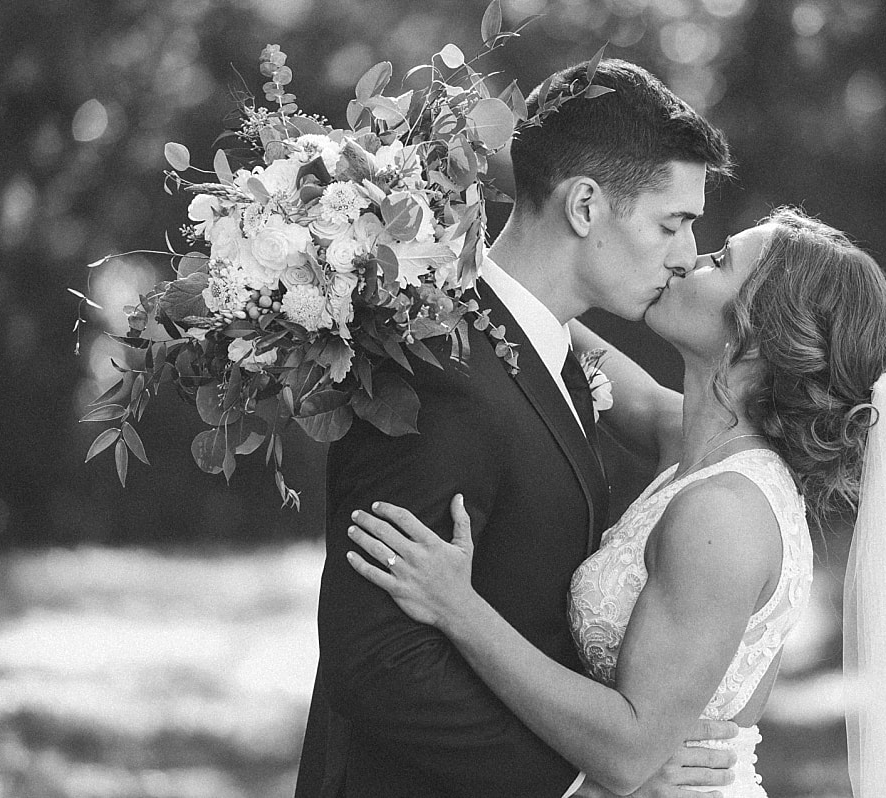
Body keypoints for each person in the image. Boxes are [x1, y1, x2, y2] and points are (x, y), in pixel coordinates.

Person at [347, 208, 886, 797]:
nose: (688, 260)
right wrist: (448, 244)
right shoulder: (694, 439)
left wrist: (459, 608)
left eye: (720, 262)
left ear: (755, 336)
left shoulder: (724, 514)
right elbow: (550, 338)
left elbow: (628, 752)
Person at [295, 59, 739, 797]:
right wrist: (577, 780)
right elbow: (375, 660)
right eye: (673, 223)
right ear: (587, 206)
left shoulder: (549, 351)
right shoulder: (436, 371)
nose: (687, 255)